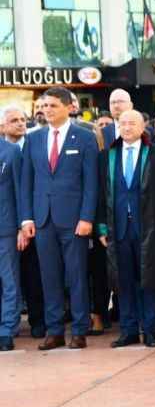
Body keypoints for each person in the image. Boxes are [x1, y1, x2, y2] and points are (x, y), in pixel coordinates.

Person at [20, 87, 99, 350]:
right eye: (44, 106)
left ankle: (79, 330)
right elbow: (27, 181)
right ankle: (54, 331)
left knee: (76, 276)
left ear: (69, 107)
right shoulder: (33, 138)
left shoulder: (85, 137)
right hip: (43, 219)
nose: (47, 110)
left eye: (53, 105)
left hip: (74, 220)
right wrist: (27, 219)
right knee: (49, 277)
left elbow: (91, 182)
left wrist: (87, 217)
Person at [96, 110, 155, 348]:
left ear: (143, 127)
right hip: (118, 227)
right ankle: (128, 330)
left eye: (132, 123)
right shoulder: (108, 155)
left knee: (149, 281)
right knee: (124, 281)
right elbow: (102, 194)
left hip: (149, 227)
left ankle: (150, 330)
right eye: (123, 123)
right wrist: (102, 228)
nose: (127, 127)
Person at [3, 106, 45, 338]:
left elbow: (25, 190)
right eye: (14, 120)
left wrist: (23, 224)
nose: (20, 123)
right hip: (8, 225)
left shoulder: (33, 145)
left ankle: (36, 322)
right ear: (3, 126)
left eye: (22, 119)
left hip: (29, 223)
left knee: (31, 275)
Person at [0, 137, 22, 351]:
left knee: (9, 282)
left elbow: (19, 190)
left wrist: (21, 226)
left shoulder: (11, 151)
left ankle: (6, 330)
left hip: (5, 228)